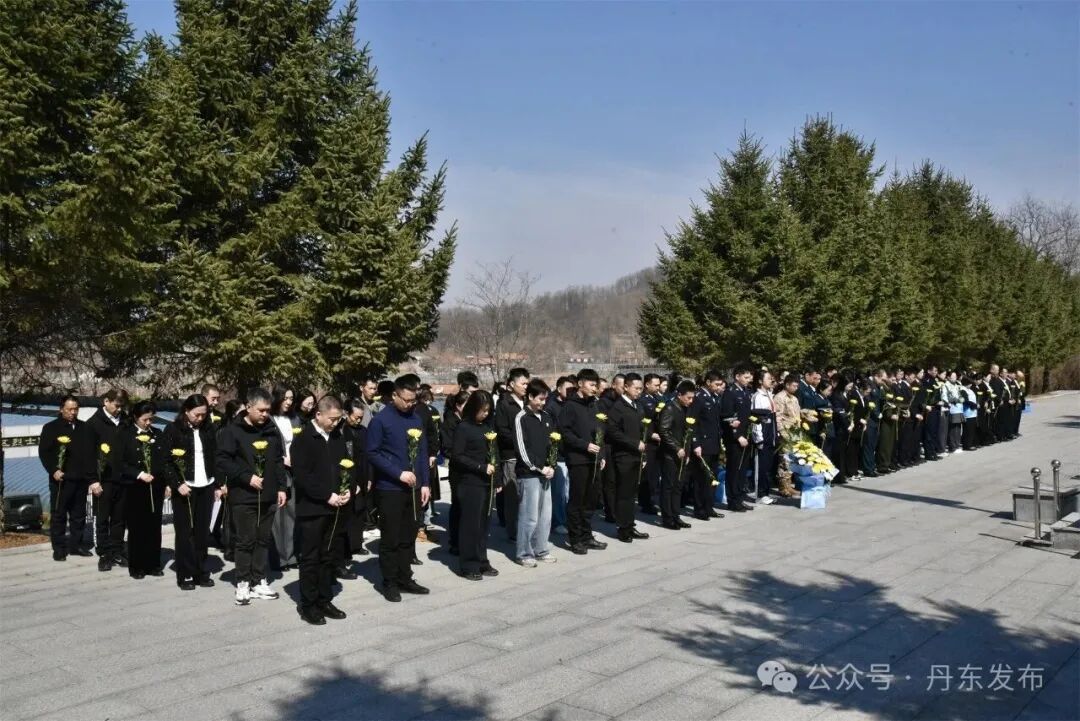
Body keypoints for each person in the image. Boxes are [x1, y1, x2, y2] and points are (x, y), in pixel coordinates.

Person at [217, 387, 287, 606]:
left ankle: (258, 580)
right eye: (261, 410)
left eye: (268, 410)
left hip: (268, 495)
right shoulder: (232, 431)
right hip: (243, 495)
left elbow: (278, 460)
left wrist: (282, 487)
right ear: (248, 407)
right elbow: (222, 460)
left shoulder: (271, 430)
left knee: (262, 539)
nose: (265, 414)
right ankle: (243, 582)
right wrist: (246, 477)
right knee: (245, 540)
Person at [366, 375, 431, 602]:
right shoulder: (381, 421)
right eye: (406, 400)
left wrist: (425, 483)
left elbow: (422, 451)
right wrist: (397, 473)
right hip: (390, 488)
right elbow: (372, 453)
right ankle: (390, 582)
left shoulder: (416, 418)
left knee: (408, 536)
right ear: (394, 395)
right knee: (391, 538)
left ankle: (405, 577)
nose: (410, 404)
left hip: (414, 488)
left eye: (414, 400)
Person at [291, 395, 352, 625]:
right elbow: (302, 477)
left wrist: (347, 488)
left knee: (328, 556)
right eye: (332, 419)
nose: (335, 423)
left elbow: (347, 464)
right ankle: (309, 604)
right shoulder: (304, 439)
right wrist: (327, 495)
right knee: (311, 558)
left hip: (335, 507)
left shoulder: (337, 436)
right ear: (318, 415)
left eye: (338, 419)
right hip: (312, 509)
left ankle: (325, 599)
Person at [163, 394, 220, 590]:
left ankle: (200, 571)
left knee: (202, 532)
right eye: (197, 414)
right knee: (185, 532)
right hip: (185, 487)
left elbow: (215, 456)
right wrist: (177, 483)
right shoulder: (173, 429)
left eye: (204, 415)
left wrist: (218, 484)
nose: (200, 418)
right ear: (186, 411)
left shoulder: (209, 429)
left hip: (206, 484)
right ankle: (185, 573)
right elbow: (166, 461)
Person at [38, 395, 96, 561]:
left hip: (80, 479)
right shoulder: (51, 428)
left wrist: (91, 477)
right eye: (69, 409)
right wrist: (53, 470)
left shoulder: (84, 427)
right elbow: (44, 453)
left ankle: (76, 545)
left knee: (79, 515)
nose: (73, 412)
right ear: (61, 409)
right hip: (61, 480)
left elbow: (90, 454)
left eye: (75, 409)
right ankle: (59, 548)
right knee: (59, 514)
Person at [118, 400, 171, 578]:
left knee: (154, 526)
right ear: (135, 417)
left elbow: (164, 460)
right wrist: (139, 474)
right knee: (137, 527)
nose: (148, 423)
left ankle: (153, 563)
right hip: (135, 488)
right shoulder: (125, 434)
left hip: (155, 486)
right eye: (145, 419)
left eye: (151, 419)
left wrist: (167, 483)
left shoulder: (157, 434)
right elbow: (119, 462)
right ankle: (137, 565)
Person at [558, 368, 608, 555]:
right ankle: (576, 539)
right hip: (578, 459)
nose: (595, 388)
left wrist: (602, 455)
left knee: (591, 500)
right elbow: (565, 433)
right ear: (580, 384)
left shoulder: (594, 404)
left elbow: (600, 431)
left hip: (594, 460)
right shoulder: (570, 406)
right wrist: (584, 445)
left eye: (596, 385)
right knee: (577, 500)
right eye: (591, 384)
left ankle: (587, 536)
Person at [450, 390, 498, 580]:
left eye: (488, 410)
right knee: (471, 524)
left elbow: (494, 453)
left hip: (487, 482)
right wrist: (480, 467)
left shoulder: (487, 427)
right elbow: (457, 456)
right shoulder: (464, 427)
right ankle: (469, 564)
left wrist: (497, 478)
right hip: (470, 482)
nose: (485, 414)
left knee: (484, 524)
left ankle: (482, 560)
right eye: (482, 410)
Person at [514, 378, 558, 565]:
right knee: (529, 516)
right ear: (530, 397)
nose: (543, 402)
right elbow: (522, 449)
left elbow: (553, 443)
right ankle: (524, 553)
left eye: (545, 399)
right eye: (540, 399)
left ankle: (541, 549)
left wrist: (552, 465)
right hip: (529, 474)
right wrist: (539, 467)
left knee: (545, 516)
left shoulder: (546, 416)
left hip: (546, 473)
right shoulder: (521, 417)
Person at [605, 372, 650, 541]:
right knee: (623, 494)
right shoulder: (618, 407)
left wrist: (643, 453)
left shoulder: (638, 406)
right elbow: (613, 431)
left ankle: (630, 525)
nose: (639, 391)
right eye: (636, 388)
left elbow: (643, 429)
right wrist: (634, 443)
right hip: (623, 456)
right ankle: (623, 528)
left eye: (640, 388)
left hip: (637, 456)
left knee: (632, 494)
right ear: (626, 387)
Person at [86, 388, 129, 570]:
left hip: (122, 479)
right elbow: (88, 455)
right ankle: (104, 553)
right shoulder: (93, 424)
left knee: (119, 518)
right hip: (103, 480)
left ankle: (117, 549)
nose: (119, 409)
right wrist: (93, 480)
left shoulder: (125, 421)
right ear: (106, 402)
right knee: (102, 518)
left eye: (122, 406)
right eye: (116, 406)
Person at [494, 368, 529, 541]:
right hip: (511, 455)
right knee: (512, 495)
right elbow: (502, 431)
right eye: (523, 383)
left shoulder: (528, 402)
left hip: (528, 456)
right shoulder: (504, 404)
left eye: (527, 383)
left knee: (526, 495)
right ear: (512, 384)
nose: (526, 386)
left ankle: (526, 528)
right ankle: (513, 531)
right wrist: (520, 441)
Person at [657, 380, 696, 529]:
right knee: (668, 486)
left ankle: (676, 515)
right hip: (670, 454)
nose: (691, 401)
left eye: (692, 398)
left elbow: (686, 432)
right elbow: (664, 431)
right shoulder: (669, 408)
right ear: (679, 395)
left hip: (682, 454)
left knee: (678, 486)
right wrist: (677, 448)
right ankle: (667, 518)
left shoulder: (684, 408)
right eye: (688, 398)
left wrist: (687, 451)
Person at [339, 398, 372, 570]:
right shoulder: (342, 431)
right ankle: (346, 549)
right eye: (356, 417)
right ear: (347, 413)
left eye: (361, 417)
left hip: (363, 475)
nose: (358, 420)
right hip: (348, 476)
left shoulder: (364, 431)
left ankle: (357, 544)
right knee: (348, 514)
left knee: (360, 511)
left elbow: (369, 455)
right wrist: (351, 482)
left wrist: (370, 478)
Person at [270, 385, 300, 571]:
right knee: (277, 517)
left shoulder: (295, 419)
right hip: (277, 470)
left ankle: (291, 555)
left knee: (292, 513)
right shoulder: (269, 419)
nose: (288, 402)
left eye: (291, 398)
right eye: (285, 398)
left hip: (294, 470)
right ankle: (279, 558)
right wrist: (282, 459)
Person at [688, 370, 724, 521]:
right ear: (708, 382)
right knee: (701, 478)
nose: (718, 387)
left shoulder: (713, 397)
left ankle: (709, 507)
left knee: (712, 477)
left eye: (720, 384)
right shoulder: (699, 398)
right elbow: (693, 422)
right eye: (716, 384)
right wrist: (696, 443)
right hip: (703, 444)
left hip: (713, 443)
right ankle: (700, 509)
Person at [721, 364, 755, 512]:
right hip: (735, 439)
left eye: (749, 377)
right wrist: (738, 436)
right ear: (737, 376)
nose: (748, 380)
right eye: (746, 377)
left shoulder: (746, 392)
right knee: (734, 470)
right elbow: (727, 417)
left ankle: (740, 497)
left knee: (742, 470)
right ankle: (733, 501)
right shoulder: (730, 393)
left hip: (746, 435)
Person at [544, 376, 575, 535]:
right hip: (559, 455)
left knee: (568, 491)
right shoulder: (551, 407)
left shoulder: (571, 404)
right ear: (558, 389)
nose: (570, 392)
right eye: (567, 389)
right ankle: (558, 522)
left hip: (571, 454)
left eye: (572, 389)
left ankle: (567, 519)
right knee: (559, 492)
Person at [442, 389, 470, 556]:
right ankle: (455, 541)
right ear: (458, 406)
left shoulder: (470, 421)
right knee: (458, 505)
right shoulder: (450, 422)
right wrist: (463, 457)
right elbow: (446, 449)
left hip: (472, 469)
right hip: (458, 470)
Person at [749, 370, 779, 504]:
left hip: (771, 433)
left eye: (771, 378)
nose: (771, 381)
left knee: (768, 466)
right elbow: (756, 419)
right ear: (760, 381)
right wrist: (758, 438)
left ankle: (766, 492)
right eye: (768, 378)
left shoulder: (769, 394)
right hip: (763, 433)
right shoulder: (757, 397)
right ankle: (760, 494)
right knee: (761, 465)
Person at [772, 374, 802, 497]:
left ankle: (789, 485)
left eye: (797, 386)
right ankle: (783, 487)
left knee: (792, 460)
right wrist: (782, 432)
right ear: (787, 384)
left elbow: (796, 414)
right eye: (794, 386)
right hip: (785, 432)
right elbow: (777, 417)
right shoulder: (779, 397)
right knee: (784, 460)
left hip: (795, 432)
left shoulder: (794, 398)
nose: (796, 388)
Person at [638, 373, 663, 515]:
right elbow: (641, 421)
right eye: (656, 385)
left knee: (655, 474)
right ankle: (646, 502)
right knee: (648, 475)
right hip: (649, 442)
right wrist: (650, 434)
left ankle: (653, 500)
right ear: (647, 384)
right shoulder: (642, 400)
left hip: (659, 441)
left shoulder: (658, 398)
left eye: (659, 385)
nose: (658, 387)